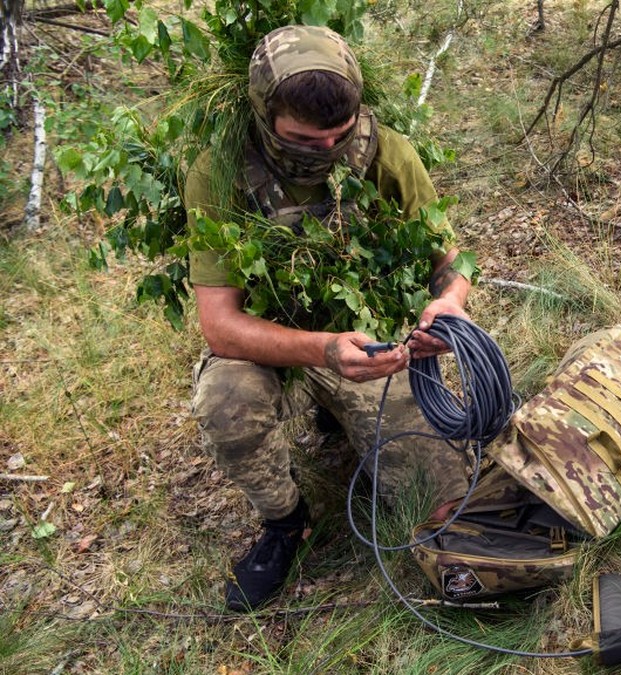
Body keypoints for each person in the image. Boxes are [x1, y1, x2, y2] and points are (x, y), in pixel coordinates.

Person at [184, 25, 472, 612]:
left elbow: (452, 259)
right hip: (277, 346)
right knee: (226, 401)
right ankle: (287, 523)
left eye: (339, 137)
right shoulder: (219, 172)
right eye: (303, 140)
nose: (325, 152)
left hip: (371, 343)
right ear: (264, 115)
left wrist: (449, 303)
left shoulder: (385, 151)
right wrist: (321, 350)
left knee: (443, 500)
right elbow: (220, 324)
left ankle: (350, 422)